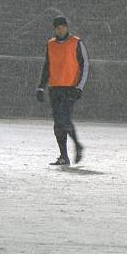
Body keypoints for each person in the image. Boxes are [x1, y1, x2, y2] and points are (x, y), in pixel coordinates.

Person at [36, 16, 89, 165]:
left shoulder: (76, 42)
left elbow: (85, 66)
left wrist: (79, 87)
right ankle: (64, 156)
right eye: (56, 28)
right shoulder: (51, 44)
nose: (59, 30)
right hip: (55, 88)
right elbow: (47, 67)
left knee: (64, 119)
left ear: (66, 27)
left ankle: (77, 145)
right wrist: (41, 86)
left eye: (61, 27)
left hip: (70, 88)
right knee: (58, 123)